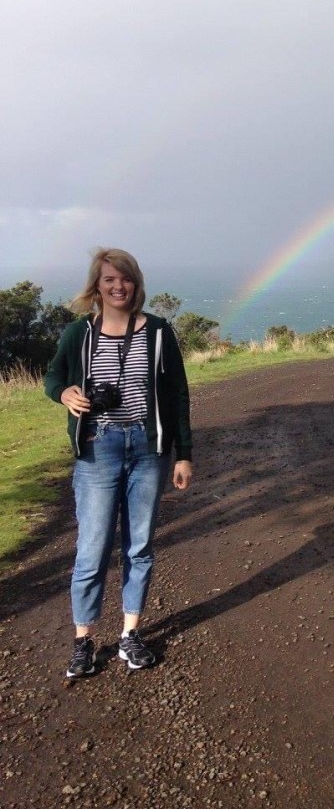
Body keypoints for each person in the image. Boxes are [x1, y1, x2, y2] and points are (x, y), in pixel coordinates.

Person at [44, 248, 192, 677]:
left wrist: (184, 454)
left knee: (139, 547)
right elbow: (53, 377)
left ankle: (130, 633)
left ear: (136, 283)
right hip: (98, 447)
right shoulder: (79, 333)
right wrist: (64, 393)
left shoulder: (158, 332)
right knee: (92, 549)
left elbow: (178, 395)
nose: (118, 286)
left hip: (148, 448)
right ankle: (83, 641)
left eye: (125, 278)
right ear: (97, 285)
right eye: (109, 279)